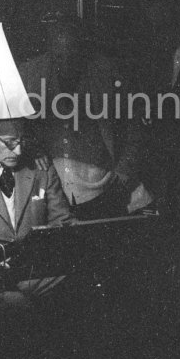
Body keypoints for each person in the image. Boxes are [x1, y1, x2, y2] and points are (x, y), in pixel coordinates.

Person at [19, 17, 152, 219]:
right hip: (50, 191)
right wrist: (31, 145)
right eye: (58, 57)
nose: (65, 64)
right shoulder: (29, 73)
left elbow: (135, 131)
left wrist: (123, 175)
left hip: (104, 189)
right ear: (49, 50)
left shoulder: (109, 74)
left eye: (71, 55)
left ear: (82, 50)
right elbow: (12, 125)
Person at [0, 118, 74, 313]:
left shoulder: (40, 168)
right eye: (10, 142)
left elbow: (62, 222)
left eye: (22, 141)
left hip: (31, 274)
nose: (18, 151)